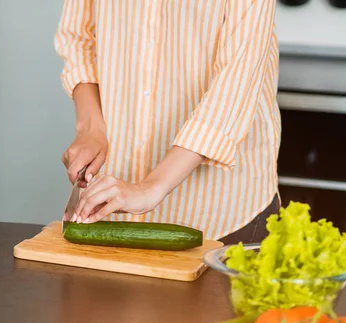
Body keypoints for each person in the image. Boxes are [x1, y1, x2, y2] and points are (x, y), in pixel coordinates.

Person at [54, 0, 281, 244]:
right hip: (113, 206)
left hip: (221, 214)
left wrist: (151, 187)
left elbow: (238, 76)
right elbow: (79, 38)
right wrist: (91, 127)